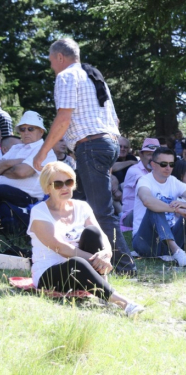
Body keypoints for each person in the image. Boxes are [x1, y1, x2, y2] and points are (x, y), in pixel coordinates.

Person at [32, 38, 135, 274]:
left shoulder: (66, 76)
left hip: (92, 147)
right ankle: (68, 251)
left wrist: (43, 152)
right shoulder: (94, 77)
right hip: (106, 145)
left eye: (51, 61)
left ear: (60, 57)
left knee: (101, 211)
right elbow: (115, 121)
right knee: (70, 197)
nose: (51, 67)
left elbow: (63, 118)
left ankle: (123, 266)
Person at [27, 162, 145, 316]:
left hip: (82, 264)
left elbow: (101, 234)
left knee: (92, 232)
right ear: (48, 188)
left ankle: (102, 285)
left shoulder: (81, 206)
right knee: (78, 262)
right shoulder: (39, 211)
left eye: (68, 182)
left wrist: (106, 254)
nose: (65, 188)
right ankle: (126, 304)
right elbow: (60, 248)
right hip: (49, 274)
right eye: (58, 184)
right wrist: (94, 260)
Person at [132, 147, 186, 266]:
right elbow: (147, 201)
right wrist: (178, 210)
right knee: (154, 208)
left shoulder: (173, 181)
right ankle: (176, 251)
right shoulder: (144, 181)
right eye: (164, 164)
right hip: (145, 242)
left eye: (171, 164)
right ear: (153, 165)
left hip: (170, 238)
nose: (168, 168)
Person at [0, 111, 57, 231]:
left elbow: (21, 172)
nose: (26, 132)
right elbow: (14, 169)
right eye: (22, 129)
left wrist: (5, 167)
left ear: (41, 131)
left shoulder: (44, 150)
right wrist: (17, 162)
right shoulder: (16, 147)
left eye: (30, 129)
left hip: (27, 197)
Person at [120, 138, 159, 231]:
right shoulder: (134, 170)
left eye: (155, 155)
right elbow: (149, 190)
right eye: (149, 154)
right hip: (131, 216)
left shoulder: (158, 172)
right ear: (141, 155)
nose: (152, 158)